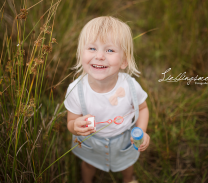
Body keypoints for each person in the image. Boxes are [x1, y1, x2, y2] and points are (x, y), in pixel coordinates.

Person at [64, 16, 150, 183]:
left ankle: (128, 180)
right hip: (91, 141)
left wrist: (142, 130)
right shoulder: (76, 90)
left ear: (124, 61)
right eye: (92, 48)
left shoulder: (130, 87)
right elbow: (71, 122)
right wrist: (75, 127)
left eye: (109, 50)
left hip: (124, 138)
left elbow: (144, 108)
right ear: (81, 53)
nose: (100, 56)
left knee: (127, 164)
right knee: (88, 165)